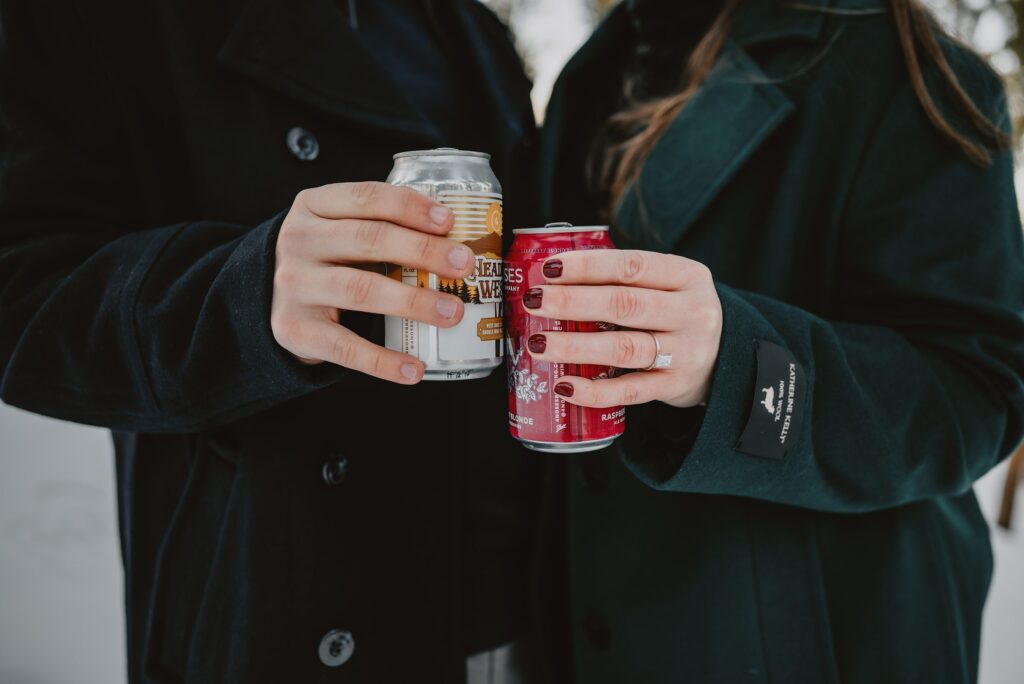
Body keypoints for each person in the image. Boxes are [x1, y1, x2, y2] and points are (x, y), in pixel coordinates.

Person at [0, 0, 550, 682]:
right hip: (289, 602)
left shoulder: (468, 26)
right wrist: (245, 298)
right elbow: (20, 281)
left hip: (517, 614)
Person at [535, 0, 1024, 681]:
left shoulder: (915, 75)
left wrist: (733, 368)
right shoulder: (593, 73)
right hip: (615, 634)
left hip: (823, 639)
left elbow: (977, 390)